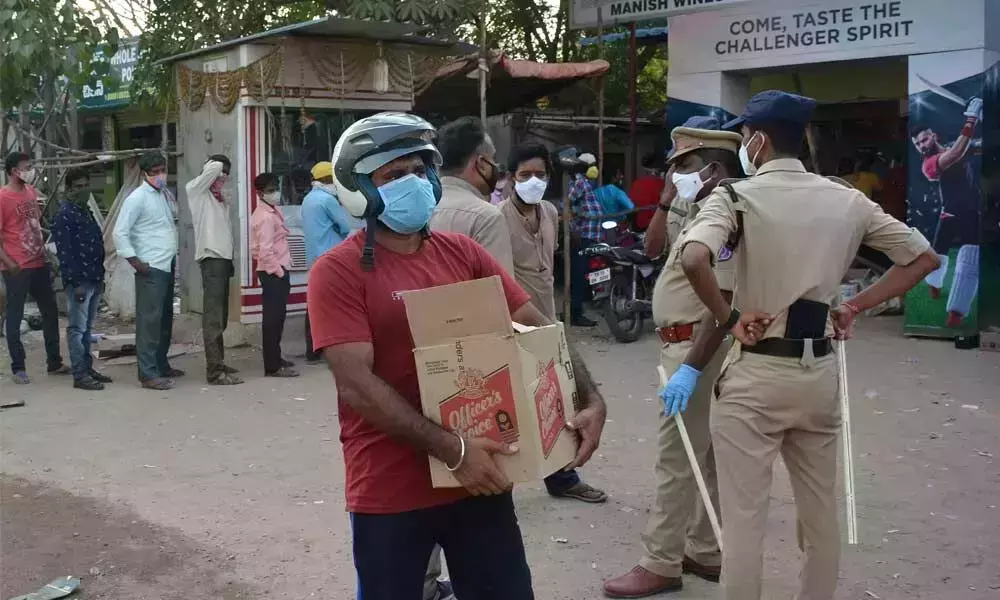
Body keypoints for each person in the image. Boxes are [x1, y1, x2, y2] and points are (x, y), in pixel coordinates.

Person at [308, 112, 607, 600]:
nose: (413, 183)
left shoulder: (463, 254)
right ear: (359, 189)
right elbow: (356, 384)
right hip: (391, 488)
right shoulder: (336, 272)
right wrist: (455, 450)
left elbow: (538, 325)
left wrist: (589, 395)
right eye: (393, 175)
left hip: (484, 476)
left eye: (419, 171)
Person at [664, 90, 941, 600]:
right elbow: (924, 259)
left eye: (746, 137)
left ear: (759, 140)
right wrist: (855, 307)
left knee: (745, 522)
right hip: (818, 376)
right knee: (820, 518)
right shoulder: (846, 199)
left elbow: (694, 259)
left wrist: (731, 318)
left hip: (755, 376)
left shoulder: (736, 196)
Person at [603, 118, 745, 598]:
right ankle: (706, 551)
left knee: (676, 455)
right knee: (704, 454)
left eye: (683, 164)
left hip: (698, 347)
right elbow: (654, 247)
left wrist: (690, 366)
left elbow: (723, 301)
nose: (674, 174)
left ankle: (660, 560)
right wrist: (668, 197)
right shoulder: (698, 205)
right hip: (681, 343)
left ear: (712, 165)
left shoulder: (727, 216)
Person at [499, 141, 608, 504]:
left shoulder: (549, 211)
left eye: (540, 175)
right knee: (512, 405)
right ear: (510, 178)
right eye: (525, 175)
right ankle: (499, 485)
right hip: (514, 321)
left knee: (557, 400)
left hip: (547, 317)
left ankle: (562, 476)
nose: (533, 181)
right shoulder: (497, 217)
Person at [114, 152, 183, 390]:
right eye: (155, 172)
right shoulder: (137, 198)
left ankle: (161, 364)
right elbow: (120, 232)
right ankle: (148, 372)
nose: (160, 175)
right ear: (145, 174)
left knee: (164, 319)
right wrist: (135, 261)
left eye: (162, 170)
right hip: (150, 266)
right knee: (149, 322)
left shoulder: (163, 194)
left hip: (166, 263)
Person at [1, 152, 68, 385]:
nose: (30, 170)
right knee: (15, 314)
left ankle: (54, 362)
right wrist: (10, 264)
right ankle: (18, 367)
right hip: (17, 267)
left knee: (50, 312)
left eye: (30, 166)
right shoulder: (2, 198)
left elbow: (36, 224)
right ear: (12, 171)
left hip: (39, 262)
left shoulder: (30, 192)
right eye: (25, 167)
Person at [51, 168, 112, 391]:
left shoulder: (85, 211)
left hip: (94, 277)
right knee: (77, 329)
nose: (83, 190)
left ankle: (87, 368)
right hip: (80, 281)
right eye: (78, 186)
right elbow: (65, 253)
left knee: (87, 328)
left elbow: (96, 243)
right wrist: (75, 284)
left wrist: (101, 276)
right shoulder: (65, 215)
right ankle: (80, 374)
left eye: (86, 185)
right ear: (69, 189)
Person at [429, 116, 513, 273]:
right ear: (481, 163)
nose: (495, 166)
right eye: (492, 158)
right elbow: (499, 291)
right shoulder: (486, 218)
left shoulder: (420, 210)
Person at [186, 155, 242, 385]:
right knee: (213, 319)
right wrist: (217, 163)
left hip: (223, 260)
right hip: (211, 259)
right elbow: (214, 167)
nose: (223, 178)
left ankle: (218, 362)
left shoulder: (218, 198)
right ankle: (214, 371)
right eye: (221, 175)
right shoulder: (196, 191)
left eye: (226, 176)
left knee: (221, 318)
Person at [301, 161, 358, 363]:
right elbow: (344, 225)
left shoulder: (308, 199)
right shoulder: (327, 200)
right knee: (335, 303)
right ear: (328, 180)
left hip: (314, 256)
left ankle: (312, 349)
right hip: (331, 255)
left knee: (314, 302)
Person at [250, 173, 298, 378]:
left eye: (275, 188)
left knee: (278, 318)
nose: (275, 193)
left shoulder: (271, 211)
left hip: (276, 268)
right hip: (272, 271)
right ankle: (272, 366)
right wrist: (278, 271)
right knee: (272, 319)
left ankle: (276, 358)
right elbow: (264, 251)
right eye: (270, 190)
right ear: (260, 193)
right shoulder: (265, 217)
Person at [565, 152, 602, 327]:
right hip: (584, 235)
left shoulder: (584, 183)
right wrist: (573, 227)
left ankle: (576, 310)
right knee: (579, 276)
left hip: (589, 234)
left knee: (582, 274)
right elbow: (566, 203)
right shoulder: (580, 181)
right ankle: (575, 314)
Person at [630, 155, 667, 232]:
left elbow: (631, 204)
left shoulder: (637, 183)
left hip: (639, 225)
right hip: (656, 225)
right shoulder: (662, 184)